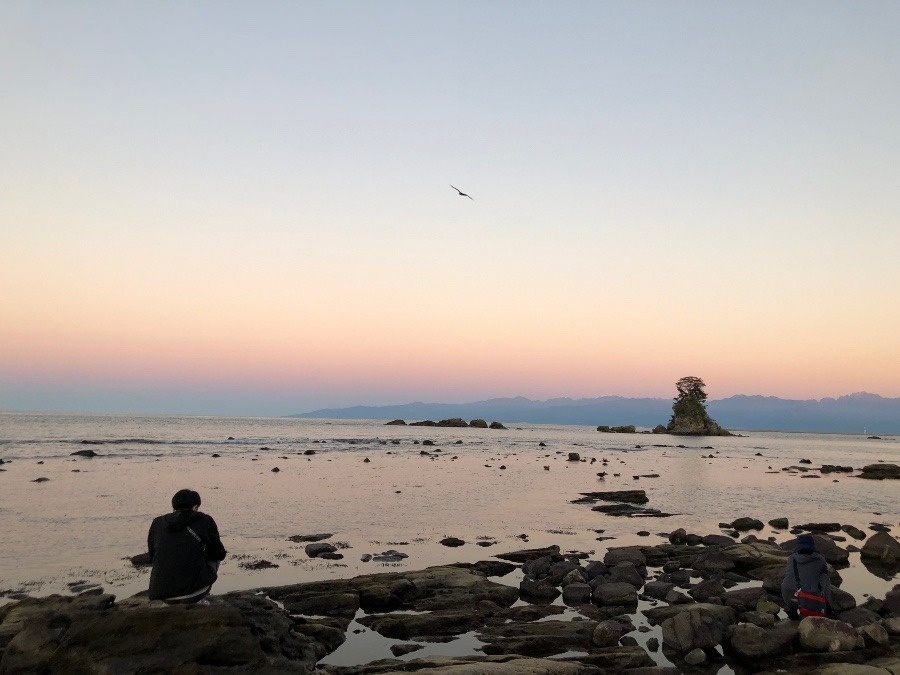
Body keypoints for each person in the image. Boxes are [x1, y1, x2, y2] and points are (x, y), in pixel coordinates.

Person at [148, 489, 227, 604]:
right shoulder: (205, 520)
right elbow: (219, 554)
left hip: (158, 595)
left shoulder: (157, 522)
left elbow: (152, 556)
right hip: (192, 595)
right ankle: (199, 595)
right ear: (195, 507)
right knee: (215, 556)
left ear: (174, 506)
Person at [781, 533, 832, 619]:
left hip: (790, 596)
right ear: (813, 545)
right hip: (809, 600)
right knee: (825, 577)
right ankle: (827, 607)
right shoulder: (820, 559)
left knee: (788, 581)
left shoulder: (791, 558)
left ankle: (793, 610)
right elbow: (823, 578)